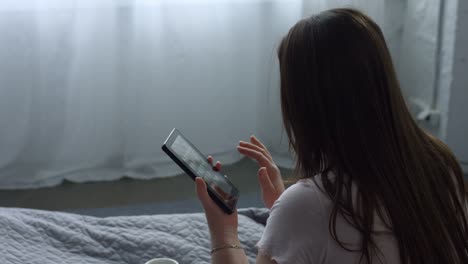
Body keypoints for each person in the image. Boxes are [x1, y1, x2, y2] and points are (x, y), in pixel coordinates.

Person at [195, 8, 468, 264]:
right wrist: (285, 204)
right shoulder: (442, 166)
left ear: (305, 106)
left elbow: (319, 222)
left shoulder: (308, 209)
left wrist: (223, 231)